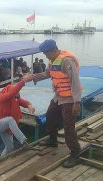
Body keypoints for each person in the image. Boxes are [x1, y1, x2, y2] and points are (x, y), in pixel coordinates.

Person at [33, 39, 82, 168]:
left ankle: (75, 153)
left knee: (68, 125)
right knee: (50, 116)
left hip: (69, 99)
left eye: (46, 53)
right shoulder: (53, 60)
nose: (45, 56)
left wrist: (77, 101)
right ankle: (53, 140)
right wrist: (32, 77)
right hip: (58, 96)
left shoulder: (66, 61)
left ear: (54, 50)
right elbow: (47, 74)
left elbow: (75, 81)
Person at [0, 73, 35, 157]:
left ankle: (0, 161)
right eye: (16, 92)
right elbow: (13, 92)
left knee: (9, 147)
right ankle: (23, 142)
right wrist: (24, 80)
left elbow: (22, 101)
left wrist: (29, 105)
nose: (17, 94)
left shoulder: (15, 97)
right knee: (10, 119)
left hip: (7, 128)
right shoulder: (2, 97)